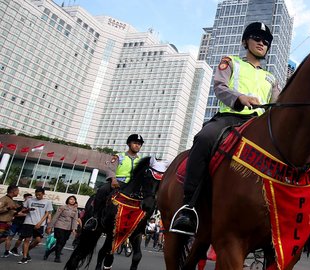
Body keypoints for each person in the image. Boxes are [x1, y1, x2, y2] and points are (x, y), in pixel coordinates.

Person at [170, 21, 280, 235]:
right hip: (230, 118)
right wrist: (240, 97)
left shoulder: (272, 78)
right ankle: (188, 206)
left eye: (266, 41)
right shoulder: (231, 62)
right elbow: (220, 88)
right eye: (256, 38)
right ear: (245, 41)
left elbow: (277, 104)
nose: (261, 42)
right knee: (203, 138)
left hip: (258, 125)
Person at [84, 134, 144, 231]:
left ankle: (141, 225)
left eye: (139, 144)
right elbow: (110, 169)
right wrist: (113, 179)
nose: (137, 145)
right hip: (118, 182)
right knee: (102, 190)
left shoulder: (141, 160)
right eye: (135, 143)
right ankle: (94, 217)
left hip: (133, 186)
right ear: (129, 144)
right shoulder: (119, 156)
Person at [18, 187, 53, 264]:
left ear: (43, 194)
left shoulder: (47, 202)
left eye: (39, 195)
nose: (37, 196)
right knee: (27, 239)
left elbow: (47, 213)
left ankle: (26, 251)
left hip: (39, 223)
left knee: (38, 240)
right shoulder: (29, 200)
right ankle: (24, 257)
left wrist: (40, 223)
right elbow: (23, 210)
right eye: (36, 195)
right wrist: (27, 210)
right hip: (28, 222)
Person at [44, 195, 78, 263]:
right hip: (59, 226)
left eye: (73, 199)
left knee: (63, 242)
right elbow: (56, 216)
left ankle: (48, 252)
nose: (72, 201)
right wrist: (50, 226)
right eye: (71, 199)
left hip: (68, 228)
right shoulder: (63, 207)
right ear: (68, 200)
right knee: (60, 241)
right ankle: (57, 257)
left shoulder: (75, 210)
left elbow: (74, 220)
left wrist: (74, 229)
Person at [3, 193, 32, 257]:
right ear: (25, 198)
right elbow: (15, 214)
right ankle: (6, 251)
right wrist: (24, 214)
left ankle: (14, 249)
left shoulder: (31, 207)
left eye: (31, 197)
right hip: (16, 223)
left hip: (24, 224)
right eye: (28, 197)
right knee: (9, 236)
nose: (30, 199)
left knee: (21, 238)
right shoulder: (19, 206)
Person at [0, 185, 20, 254]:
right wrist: (9, 208)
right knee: (3, 237)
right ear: (12, 191)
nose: (18, 193)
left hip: (8, 223)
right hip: (2, 222)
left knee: (5, 237)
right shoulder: (4, 199)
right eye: (17, 191)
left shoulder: (11, 200)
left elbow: (12, 213)